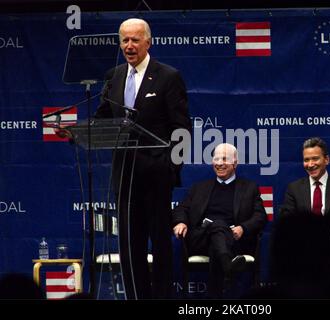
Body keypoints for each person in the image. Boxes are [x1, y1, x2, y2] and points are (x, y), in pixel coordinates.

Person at [95, 18, 191, 299]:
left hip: (157, 176)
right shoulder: (113, 76)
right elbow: (103, 117)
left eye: (135, 40)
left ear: (148, 42)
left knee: (159, 244)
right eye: (124, 40)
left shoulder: (168, 76)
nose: (129, 45)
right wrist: (79, 131)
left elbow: (181, 129)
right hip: (124, 175)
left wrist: (171, 167)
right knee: (129, 244)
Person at [172, 143, 267, 298]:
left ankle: (215, 293)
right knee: (217, 225)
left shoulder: (249, 188)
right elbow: (181, 209)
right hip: (201, 238)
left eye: (225, 159)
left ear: (235, 163)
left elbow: (260, 216)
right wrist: (181, 222)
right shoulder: (199, 188)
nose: (220, 163)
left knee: (217, 239)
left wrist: (242, 228)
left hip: (233, 239)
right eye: (216, 159)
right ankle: (228, 265)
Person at [279, 137, 330, 284]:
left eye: (315, 159)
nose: (310, 164)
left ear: (326, 160)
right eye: (306, 160)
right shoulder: (293, 188)